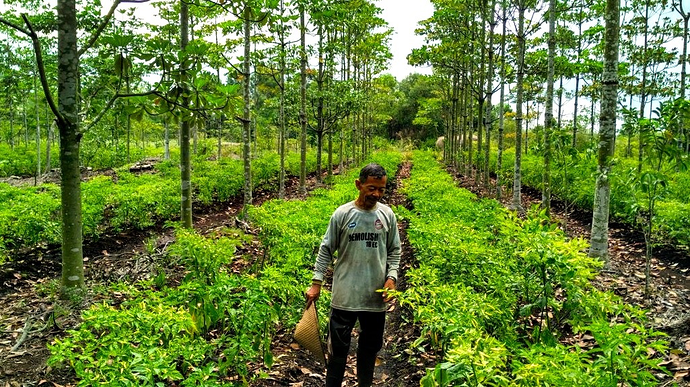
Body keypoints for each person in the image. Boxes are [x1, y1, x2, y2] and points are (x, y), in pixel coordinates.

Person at [305, 163, 402, 387]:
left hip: (374, 299)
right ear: (358, 185)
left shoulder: (387, 215)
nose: (376, 194)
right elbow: (326, 248)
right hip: (344, 297)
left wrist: (392, 277)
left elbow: (394, 250)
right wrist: (316, 282)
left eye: (381, 189)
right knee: (337, 352)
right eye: (371, 188)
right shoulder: (342, 214)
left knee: (369, 351)